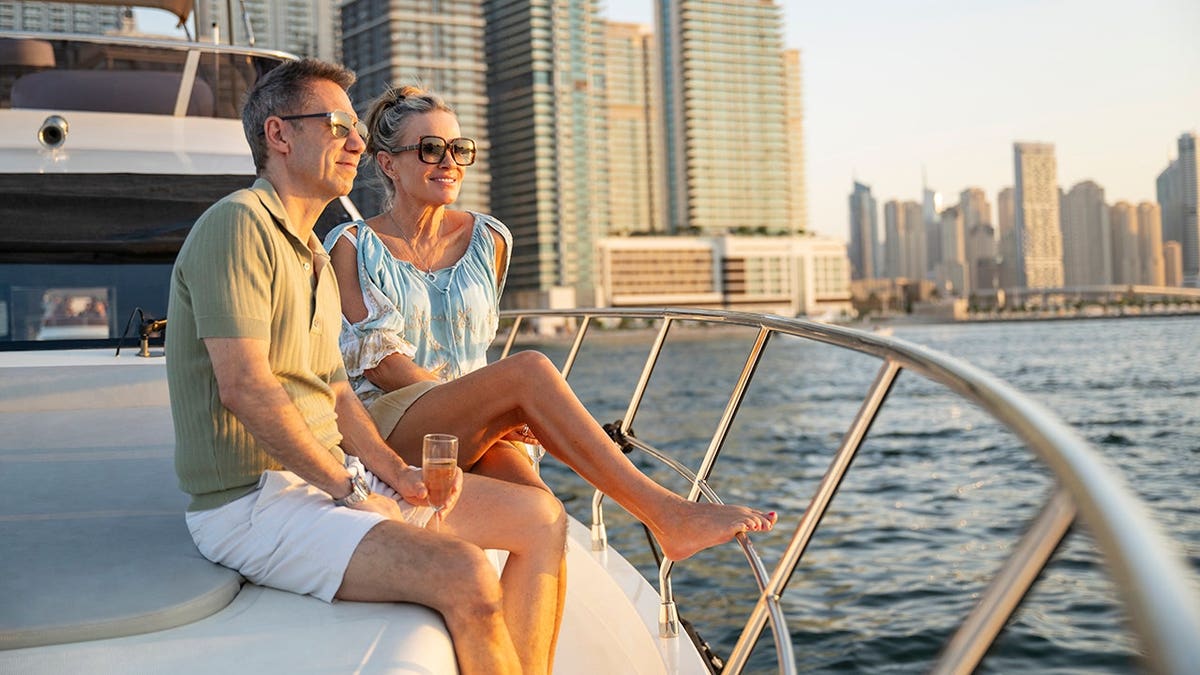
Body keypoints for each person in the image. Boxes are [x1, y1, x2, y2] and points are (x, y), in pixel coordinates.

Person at [166, 59, 565, 675]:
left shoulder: (316, 257)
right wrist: (351, 490)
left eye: (356, 128)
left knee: (540, 518)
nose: (357, 142)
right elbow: (245, 388)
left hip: (326, 480)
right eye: (337, 126)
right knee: (461, 571)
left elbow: (336, 393)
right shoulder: (239, 223)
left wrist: (395, 475)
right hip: (253, 502)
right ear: (279, 135)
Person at [325, 85, 777, 563]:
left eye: (459, 149)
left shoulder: (489, 239)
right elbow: (382, 366)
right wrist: (499, 404)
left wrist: (495, 410)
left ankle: (516, 634)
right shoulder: (351, 245)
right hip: (393, 429)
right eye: (430, 149)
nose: (449, 161)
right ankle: (667, 514)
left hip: (476, 425)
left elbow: (471, 344)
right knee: (530, 370)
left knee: (546, 514)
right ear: (388, 163)